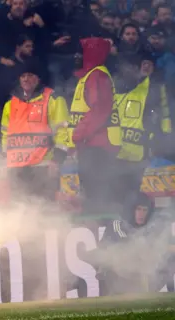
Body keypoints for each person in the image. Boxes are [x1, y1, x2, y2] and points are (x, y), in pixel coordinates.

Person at [67, 37, 121, 218]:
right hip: (92, 143)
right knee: (93, 192)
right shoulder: (92, 75)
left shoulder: (96, 75)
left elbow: (98, 109)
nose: (77, 57)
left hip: (96, 145)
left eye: (81, 52)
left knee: (96, 193)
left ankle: (102, 235)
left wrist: (77, 135)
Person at [1, 59, 70, 202]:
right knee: (18, 211)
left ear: (38, 78)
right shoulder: (10, 104)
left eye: (30, 75)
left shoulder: (53, 100)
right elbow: (5, 135)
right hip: (16, 168)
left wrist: (57, 160)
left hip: (43, 167)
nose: (26, 79)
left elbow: (63, 133)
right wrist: (4, 160)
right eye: (23, 76)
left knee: (44, 210)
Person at [113, 53, 172, 218]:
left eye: (149, 64)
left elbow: (165, 113)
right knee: (119, 189)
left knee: (136, 189)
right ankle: (122, 221)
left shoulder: (157, 87)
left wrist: (162, 138)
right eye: (143, 63)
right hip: (119, 149)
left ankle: (136, 220)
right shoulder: (123, 87)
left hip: (142, 149)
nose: (145, 67)